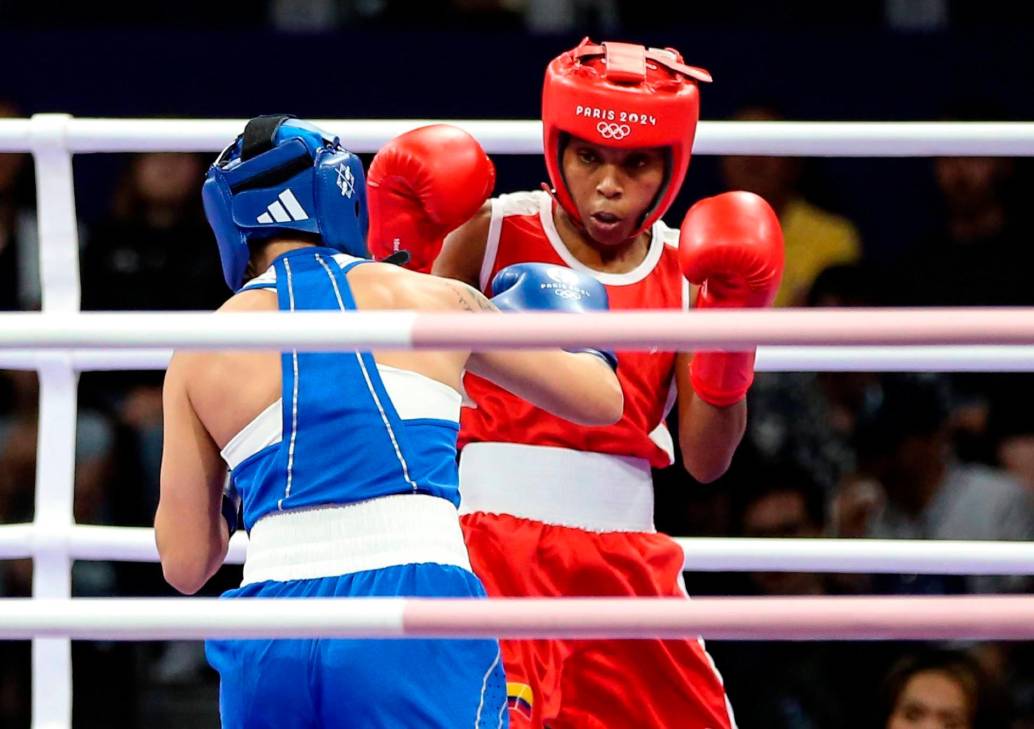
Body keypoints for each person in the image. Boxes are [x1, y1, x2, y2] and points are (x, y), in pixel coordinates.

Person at [154, 115, 624, 728]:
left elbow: (186, 566)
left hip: (270, 624)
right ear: (343, 193)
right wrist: (577, 332)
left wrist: (241, 493)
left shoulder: (197, 352)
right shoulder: (434, 300)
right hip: (411, 605)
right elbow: (601, 403)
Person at [367, 39, 784, 728]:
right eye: (589, 155)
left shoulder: (690, 267)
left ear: (672, 167)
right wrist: (402, 252)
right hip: (486, 543)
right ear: (557, 146)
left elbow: (708, 460)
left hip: (625, 559)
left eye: (636, 162)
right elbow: (392, 380)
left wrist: (731, 330)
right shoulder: (493, 229)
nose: (609, 184)